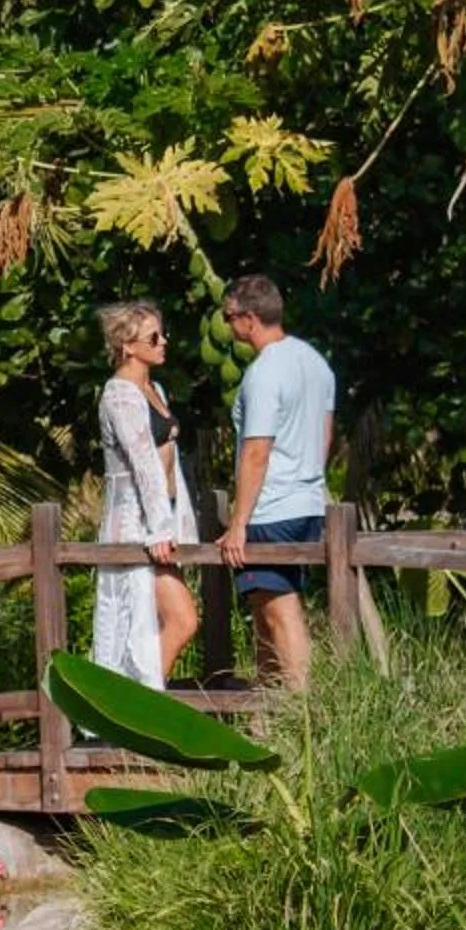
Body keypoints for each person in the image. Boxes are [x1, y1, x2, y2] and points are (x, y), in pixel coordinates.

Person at [215, 274, 335, 691]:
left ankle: (306, 710)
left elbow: (256, 451)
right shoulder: (315, 362)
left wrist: (239, 522)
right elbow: (324, 434)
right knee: (264, 610)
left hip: (271, 508)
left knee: (281, 612)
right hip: (306, 503)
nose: (228, 326)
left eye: (229, 317)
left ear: (249, 319)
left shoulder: (264, 372)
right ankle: (269, 711)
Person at [90, 300, 201, 688]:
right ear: (128, 345)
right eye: (154, 336)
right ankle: (137, 707)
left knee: (173, 622)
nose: (164, 341)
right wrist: (157, 530)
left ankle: (137, 706)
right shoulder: (119, 395)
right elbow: (142, 464)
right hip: (137, 529)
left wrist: (173, 525)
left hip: (161, 526)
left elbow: (167, 468)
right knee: (176, 620)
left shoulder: (154, 389)